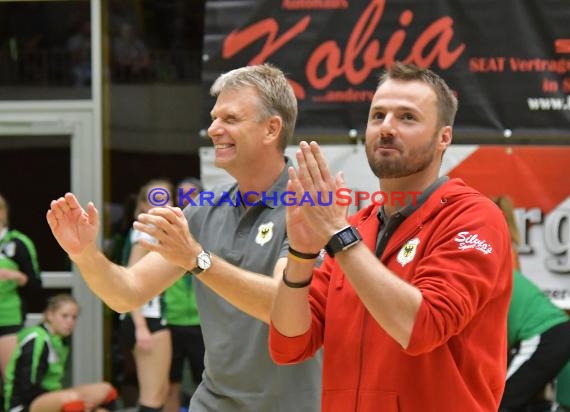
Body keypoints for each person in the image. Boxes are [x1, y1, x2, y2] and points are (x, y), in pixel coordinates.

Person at [46, 63, 322, 411]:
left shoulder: (309, 207)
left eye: (230, 119)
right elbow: (126, 293)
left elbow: (284, 308)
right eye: (214, 117)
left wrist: (197, 260)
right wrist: (84, 254)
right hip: (214, 403)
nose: (213, 129)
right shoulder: (203, 211)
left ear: (271, 129)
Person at [268, 62, 513, 411]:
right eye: (378, 115)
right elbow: (289, 344)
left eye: (407, 118)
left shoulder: (473, 218)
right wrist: (301, 254)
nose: (386, 128)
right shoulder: (355, 228)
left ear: (444, 137)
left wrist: (338, 235)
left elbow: (422, 326)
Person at [493, 195, 570, 412]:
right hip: (550, 332)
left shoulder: (499, 261)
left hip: (542, 335)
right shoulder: (507, 257)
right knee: (517, 399)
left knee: (501, 402)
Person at [3, 294, 117, 412]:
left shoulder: (60, 341)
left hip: (51, 396)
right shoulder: (37, 338)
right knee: (73, 401)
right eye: (65, 316)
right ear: (50, 315)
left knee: (106, 391)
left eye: (74, 317)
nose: (70, 322)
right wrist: (71, 400)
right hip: (24, 404)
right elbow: (27, 387)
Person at [119, 179, 173, 412]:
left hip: (156, 317)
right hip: (144, 319)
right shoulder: (143, 233)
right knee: (152, 397)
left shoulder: (163, 232)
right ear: (142, 206)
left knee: (160, 392)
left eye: (166, 197)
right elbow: (129, 282)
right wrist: (140, 326)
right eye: (154, 198)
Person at [163, 179, 205, 412]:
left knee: (205, 381)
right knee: (171, 382)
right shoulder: (168, 231)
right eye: (182, 195)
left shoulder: (211, 229)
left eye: (192, 195)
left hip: (202, 322)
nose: (187, 200)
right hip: (172, 320)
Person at [0, 194, 43, 392]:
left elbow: (34, 283)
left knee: (11, 379)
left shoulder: (18, 243)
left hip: (8, 318)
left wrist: (16, 276)